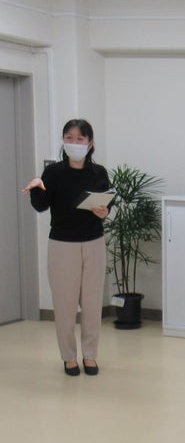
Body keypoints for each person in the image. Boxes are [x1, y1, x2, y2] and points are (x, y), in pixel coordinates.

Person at [22, 119, 110, 377]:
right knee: (64, 305)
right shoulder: (53, 173)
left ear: (90, 144)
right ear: (63, 141)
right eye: (69, 138)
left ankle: (90, 355)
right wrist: (36, 187)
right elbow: (41, 206)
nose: (74, 143)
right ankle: (69, 358)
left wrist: (104, 211)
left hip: (93, 243)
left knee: (92, 303)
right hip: (62, 245)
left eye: (80, 139)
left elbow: (107, 203)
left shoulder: (99, 173)